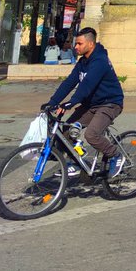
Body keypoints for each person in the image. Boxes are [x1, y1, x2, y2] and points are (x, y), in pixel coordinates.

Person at [45, 27, 125, 176]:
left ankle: (116, 155)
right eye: (76, 43)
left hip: (109, 103)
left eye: (79, 44)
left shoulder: (100, 61)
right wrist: (53, 102)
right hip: (91, 105)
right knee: (67, 130)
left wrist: (71, 103)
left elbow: (87, 85)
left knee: (92, 135)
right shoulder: (83, 62)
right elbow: (69, 82)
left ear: (90, 44)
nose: (76, 47)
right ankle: (76, 162)